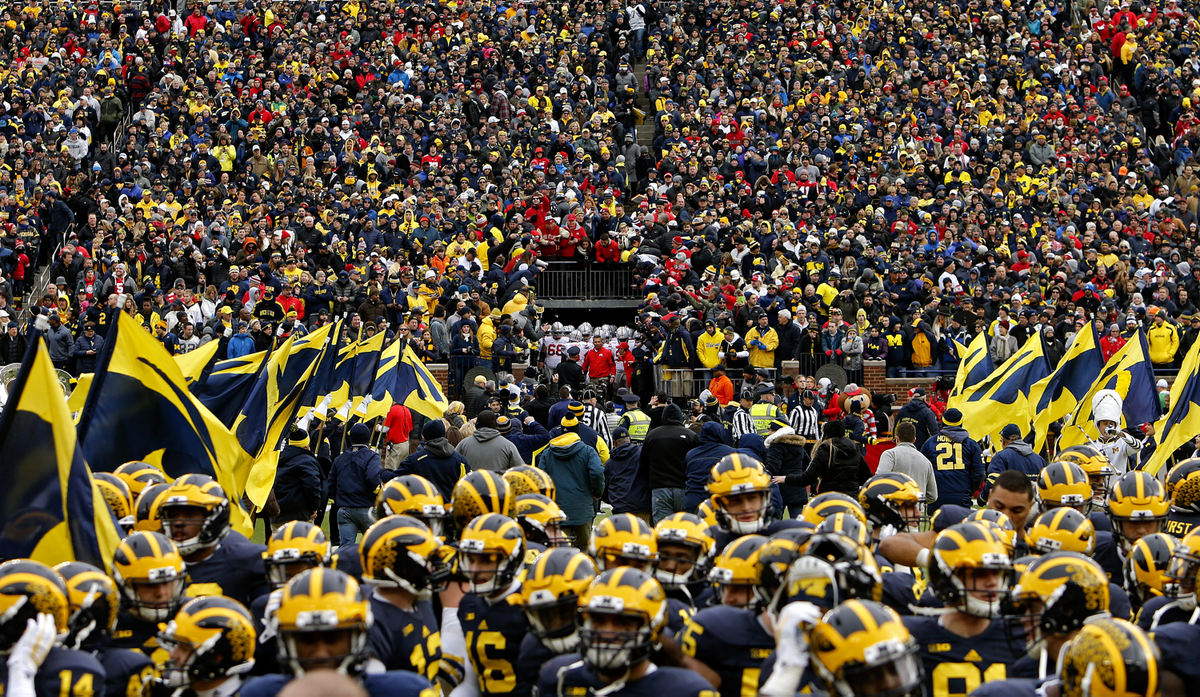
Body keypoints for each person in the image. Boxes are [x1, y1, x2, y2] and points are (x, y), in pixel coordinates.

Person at [537, 430, 606, 548]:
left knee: (559, 552)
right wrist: (597, 493)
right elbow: (597, 472)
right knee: (585, 549)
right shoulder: (588, 451)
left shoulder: (547, 454)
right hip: (582, 509)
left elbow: (541, 480)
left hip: (557, 510)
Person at [772, 420, 870, 496]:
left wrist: (786, 478)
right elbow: (866, 476)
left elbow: (807, 478)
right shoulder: (854, 449)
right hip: (851, 499)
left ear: (826, 434)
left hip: (829, 498)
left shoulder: (825, 450)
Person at [640, 403, 699, 523]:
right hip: (684, 487)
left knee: (663, 530)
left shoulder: (652, 436)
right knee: (685, 530)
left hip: (660, 488)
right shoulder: (691, 436)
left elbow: (643, 464)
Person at [920, 407, 985, 511]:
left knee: (937, 526)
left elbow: (921, 469)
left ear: (943, 422)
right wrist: (969, 489)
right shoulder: (971, 444)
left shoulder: (930, 443)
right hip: (961, 494)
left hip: (937, 495)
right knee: (960, 527)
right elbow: (980, 473)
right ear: (961, 422)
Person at [329, 423, 383, 544]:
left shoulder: (340, 458)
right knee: (374, 547)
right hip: (366, 507)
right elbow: (373, 479)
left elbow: (331, 483)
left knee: (345, 548)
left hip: (345, 508)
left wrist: (338, 500)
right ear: (368, 438)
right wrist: (378, 493)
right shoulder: (372, 457)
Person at [389, 419, 469, 499]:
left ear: (425, 437)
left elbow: (395, 478)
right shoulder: (460, 460)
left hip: (424, 507)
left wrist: (383, 472)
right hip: (449, 508)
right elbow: (466, 486)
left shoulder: (415, 460)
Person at [876, 421, 938, 506]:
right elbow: (933, 496)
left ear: (897, 439)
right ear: (914, 439)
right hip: (916, 513)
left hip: (893, 509)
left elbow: (879, 481)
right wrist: (915, 502)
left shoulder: (890, 455)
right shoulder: (926, 461)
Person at [273, 426, 325, 525]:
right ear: (306, 445)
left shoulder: (278, 458)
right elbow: (312, 486)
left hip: (278, 513)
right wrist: (314, 507)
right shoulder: (306, 461)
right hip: (299, 514)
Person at [983, 424, 1048, 498]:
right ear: (1021, 438)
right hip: (1034, 505)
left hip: (1011, 505)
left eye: (1001, 441)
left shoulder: (1000, 457)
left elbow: (993, 481)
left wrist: (982, 498)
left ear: (1004, 441)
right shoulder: (1040, 459)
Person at [604, 427, 652, 523]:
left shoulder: (610, 463)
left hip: (621, 509)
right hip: (642, 506)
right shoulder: (641, 453)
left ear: (615, 443)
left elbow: (605, 488)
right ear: (629, 439)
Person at [765, 418, 811, 517]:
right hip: (798, 485)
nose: (769, 433)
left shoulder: (777, 445)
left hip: (781, 487)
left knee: (777, 522)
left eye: (772, 430)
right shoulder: (799, 446)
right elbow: (807, 463)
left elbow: (773, 467)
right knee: (798, 522)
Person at [456, 409, 524, 471]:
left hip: (470, 483)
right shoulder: (508, 446)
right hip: (498, 483)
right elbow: (520, 470)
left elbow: (453, 464)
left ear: (476, 425)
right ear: (496, 425)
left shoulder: (463, 444)